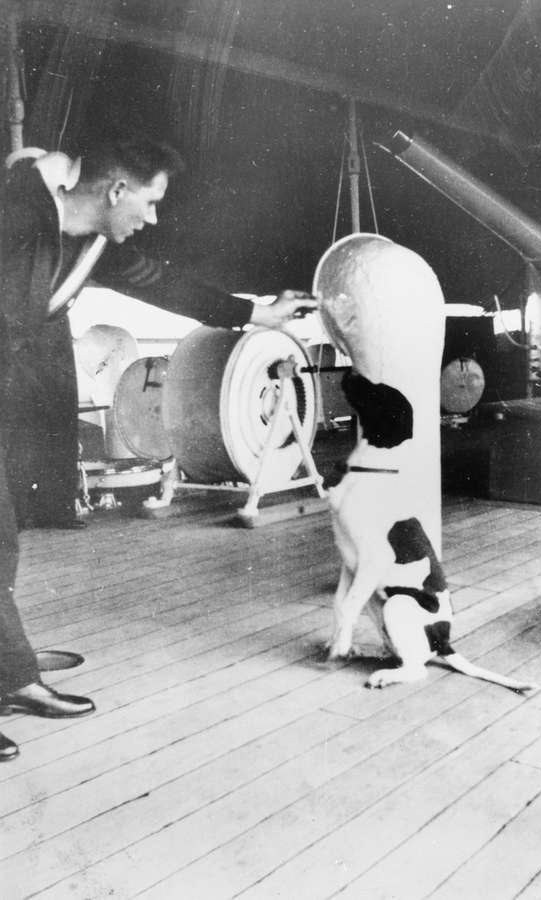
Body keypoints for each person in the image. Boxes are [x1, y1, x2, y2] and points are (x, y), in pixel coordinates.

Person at [0, 134, 317, 760]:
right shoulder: (16, 211)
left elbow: (161, 283)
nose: (153, 218)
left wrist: (256, 315)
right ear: (116, 190)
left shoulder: (88, 238)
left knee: (1, 536)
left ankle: (11, 673)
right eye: (149, 202)